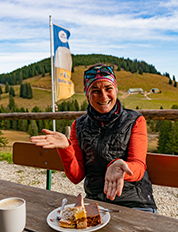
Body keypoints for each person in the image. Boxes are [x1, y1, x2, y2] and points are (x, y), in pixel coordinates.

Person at [31, 64, 157, 213]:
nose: (103, 96)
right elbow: (76, 176)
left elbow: (139, 167)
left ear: (115, 90)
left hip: (135, 203)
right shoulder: (78, 125)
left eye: (108, 89)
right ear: (87, 94)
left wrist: (120, 166)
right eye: (95, 91)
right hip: (95, 202)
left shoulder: (134, 120)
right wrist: (65, 148)